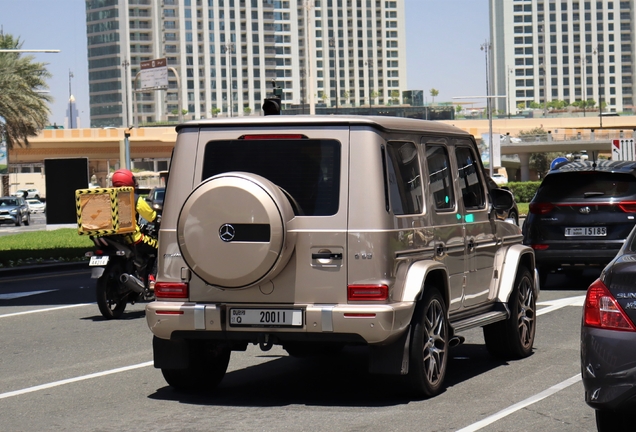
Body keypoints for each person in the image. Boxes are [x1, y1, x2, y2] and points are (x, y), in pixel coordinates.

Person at [111, 169, 158, 279]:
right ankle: (152, 279)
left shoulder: (107, 196)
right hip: (133, 238)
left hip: (112, 237)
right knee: (159, 248)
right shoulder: (134, 198)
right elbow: (151, 216)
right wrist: (158, 219)